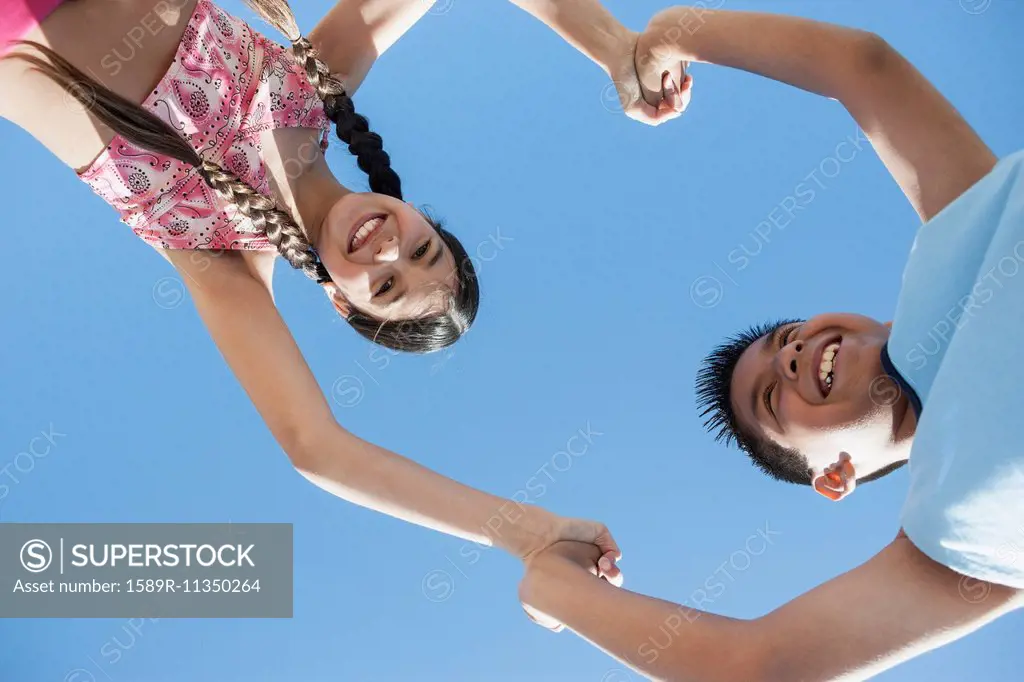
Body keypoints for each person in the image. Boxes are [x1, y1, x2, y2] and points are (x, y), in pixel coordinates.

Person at [0, 0, 692, 583]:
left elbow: (317, 447)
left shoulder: (220, 256)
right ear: (420, 212)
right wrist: (613, 47)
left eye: (385, 286)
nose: (391, 250)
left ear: (341, 302)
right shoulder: (315, 80)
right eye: (423, 248)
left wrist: (522, 533)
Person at [519, 6, 1023, 680]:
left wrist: (671, 34)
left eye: (786, 340)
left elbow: (860, 66)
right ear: (833, 477)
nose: (790, 357)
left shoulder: (963, 232)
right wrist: (549, 586)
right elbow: (753, 667)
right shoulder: (945, 550)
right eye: (771, 399)